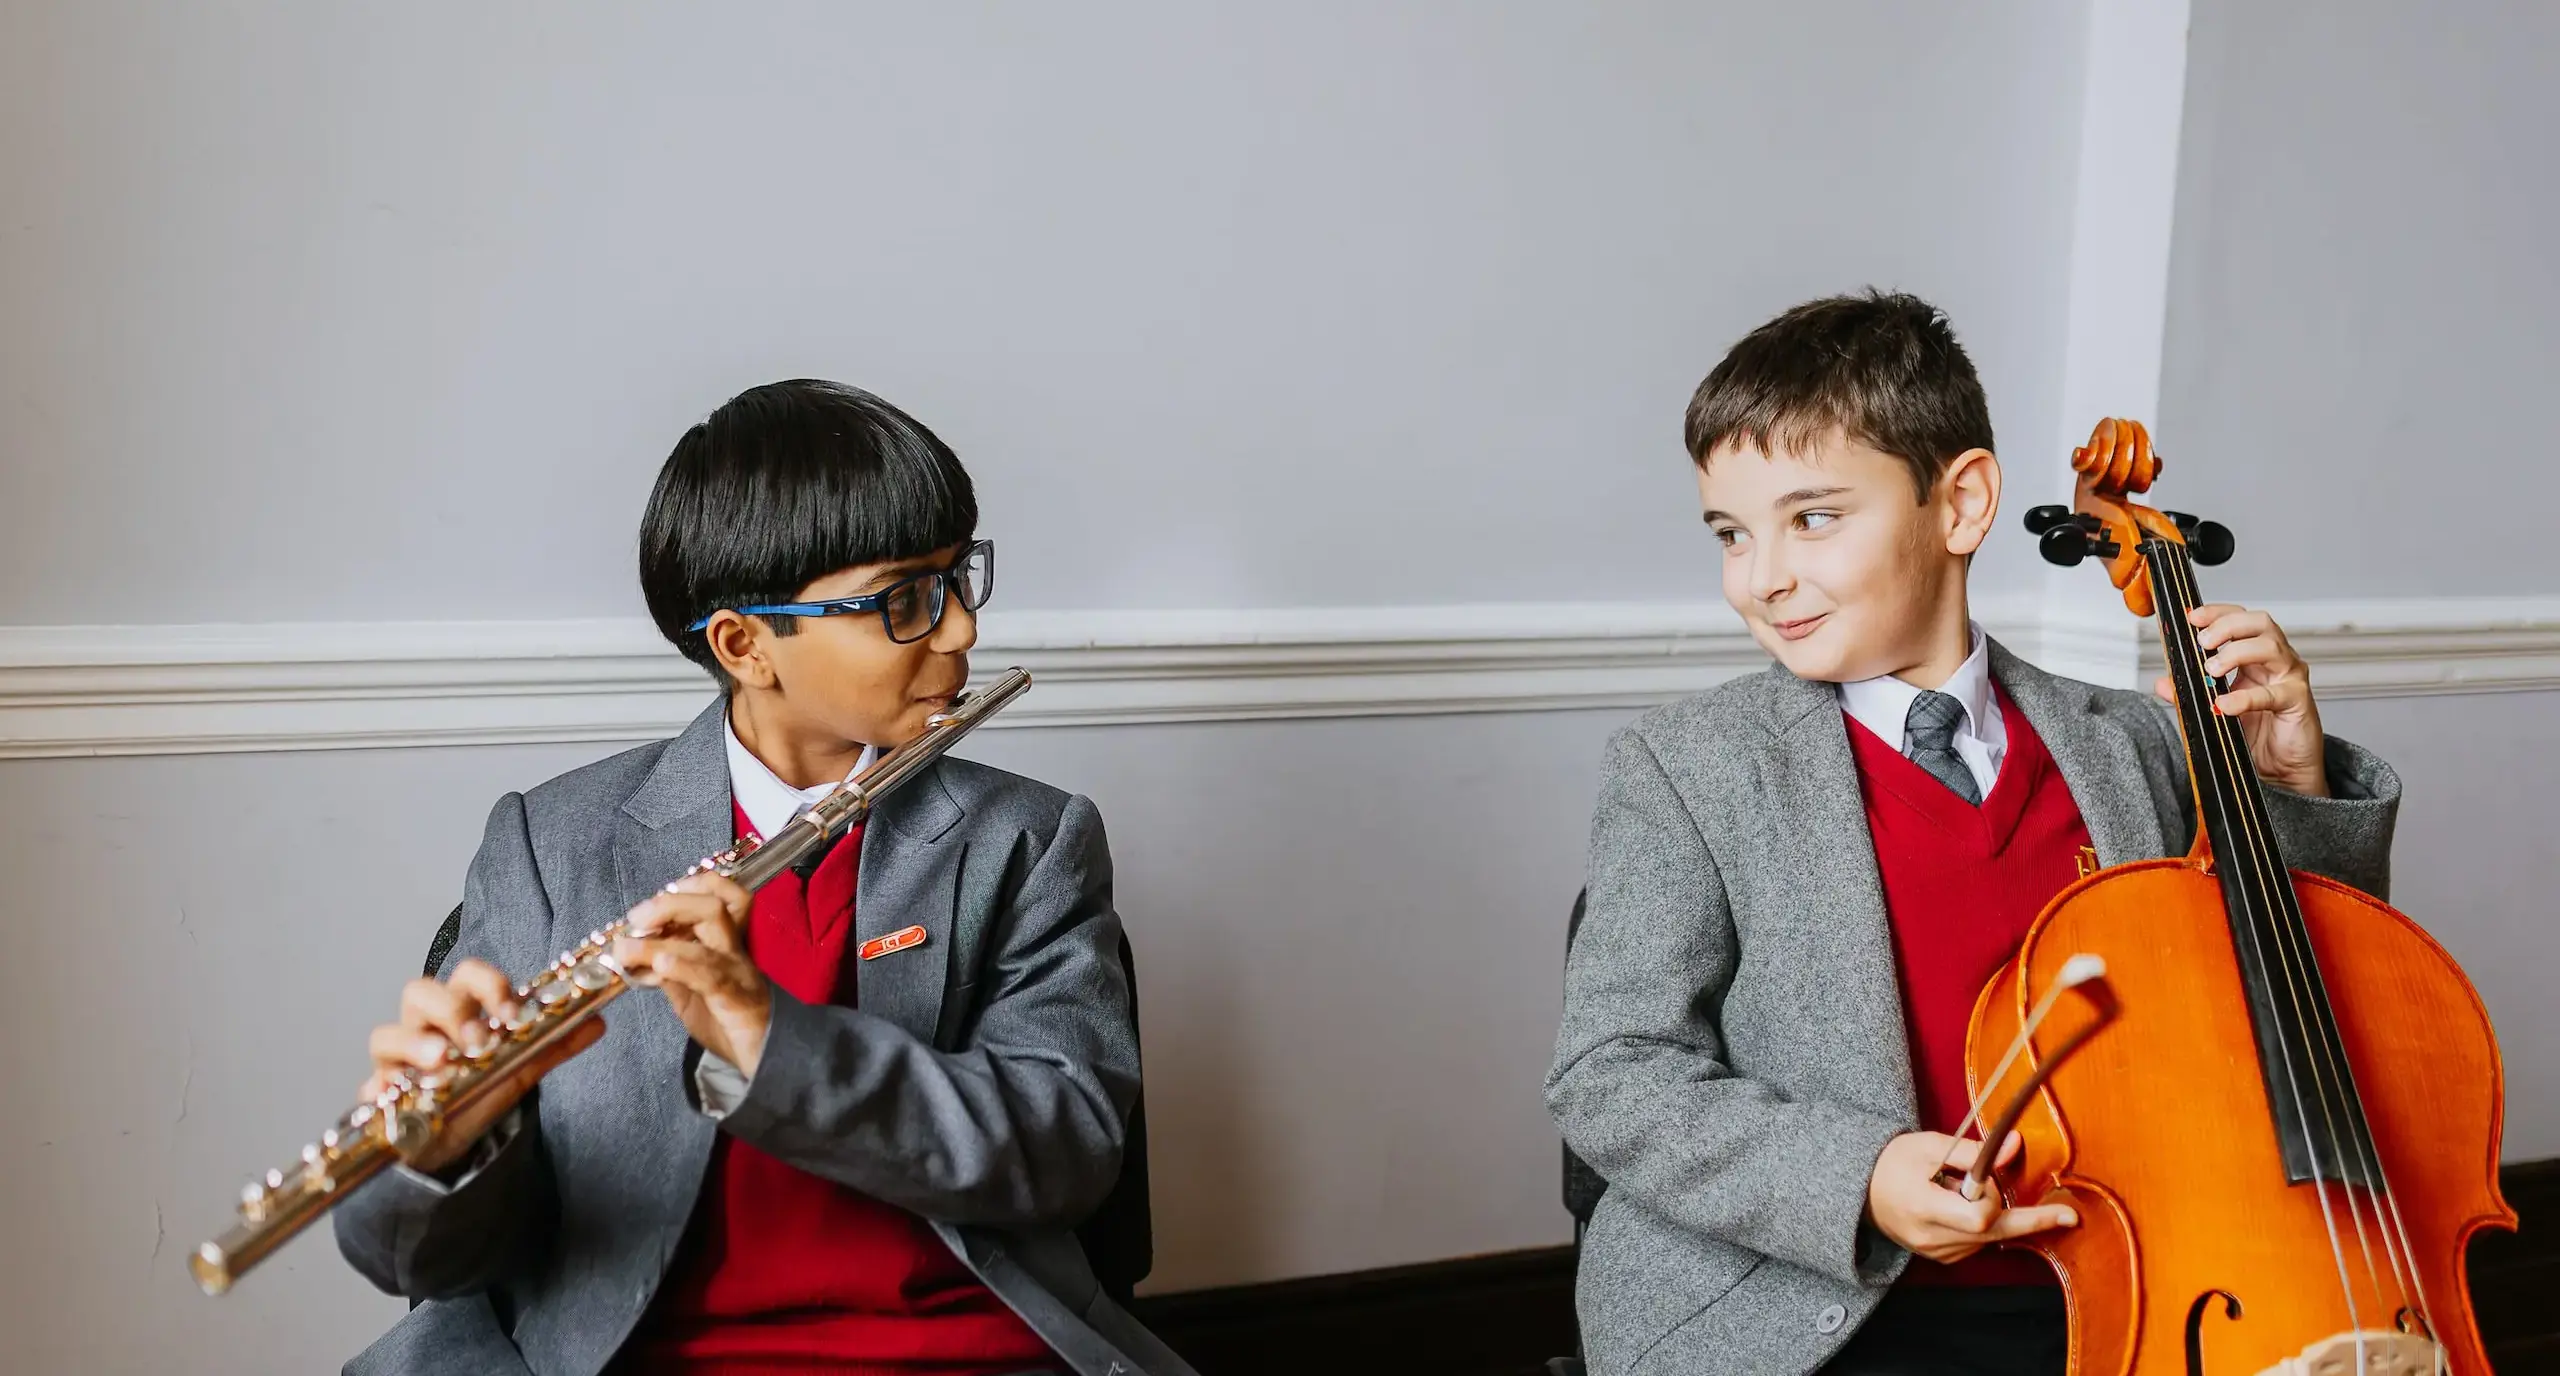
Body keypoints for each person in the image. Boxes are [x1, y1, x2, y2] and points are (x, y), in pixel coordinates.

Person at [1544, 292, 2401, 1375]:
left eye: (1812, 517)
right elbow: (1611, 1071)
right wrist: (1858, 1174)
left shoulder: (2136, 741)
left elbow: (2312, 1006)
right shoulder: (1689, 769)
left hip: (2149, 1277)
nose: (1761, 576)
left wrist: (2289, 785)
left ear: (1960, 503)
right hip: (1816, 1304)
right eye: (1731, 533)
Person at [336, 379, 1195, 1376]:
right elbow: (415, 1255)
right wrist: (443, 1149)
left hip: (958, 1346)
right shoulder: (552, 840)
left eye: (960, 577)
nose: (960, 629)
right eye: (908, 598)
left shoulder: (1029, 838)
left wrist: (769, 1040)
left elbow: (1069, 1150)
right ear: (746, 644)